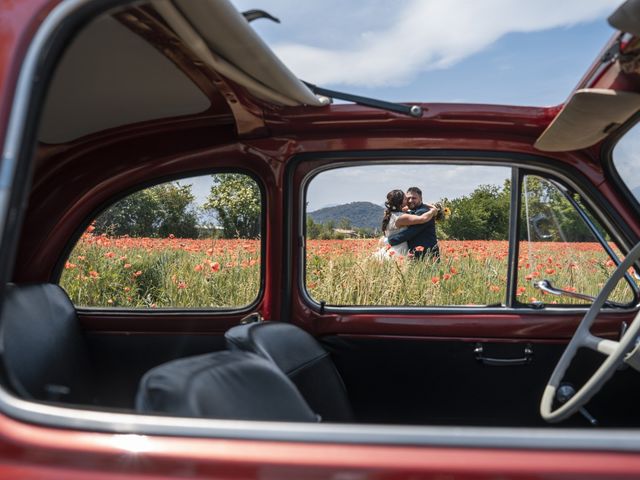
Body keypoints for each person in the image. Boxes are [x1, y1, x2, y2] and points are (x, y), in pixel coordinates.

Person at [375, 189, 436, 259]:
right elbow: (423, 218)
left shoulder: (390, 214)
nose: (409, 201)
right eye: (406, 199)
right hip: (398, 250)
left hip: (394, 249)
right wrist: (433, 211)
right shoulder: (402, 217)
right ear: (401, 202)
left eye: (413, 198)